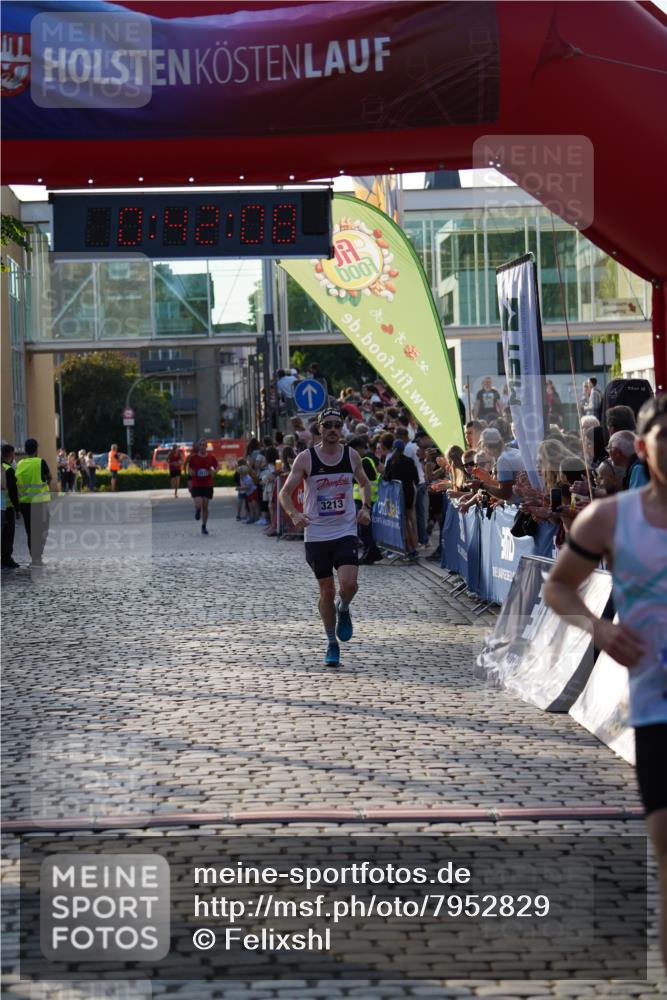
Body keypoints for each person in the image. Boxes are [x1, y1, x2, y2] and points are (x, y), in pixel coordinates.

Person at [543, 393, 667, 972]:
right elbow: (557, 586)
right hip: (657, 707)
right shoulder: (610, 519)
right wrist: (599, 627)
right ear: (642, 448)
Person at [278, 407, 372, 667]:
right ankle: (332, 643)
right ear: (319, 428)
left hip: (345, 530)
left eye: (336, 425)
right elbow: (284, 493)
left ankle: (344, 608)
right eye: (327, 425)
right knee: (327, 591)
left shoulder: (351, 455)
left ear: (341, 428)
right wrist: (294, 514)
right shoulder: (306, 459)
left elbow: (364, 483)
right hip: (317, 533)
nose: (332, 429)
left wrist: (366, 507)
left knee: (349, 585)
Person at [15, 438, 52, 567]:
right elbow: (50, 477)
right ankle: (37, 557)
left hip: (25, 504)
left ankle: (35, 558)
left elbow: (16, 482)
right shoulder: (40, 462)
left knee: (30, 531)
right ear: (36, 449)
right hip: (40, 503)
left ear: (25, 450)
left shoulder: (20, 464)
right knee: (43, 530)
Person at [384, 438, 419, 560]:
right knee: (410, 521)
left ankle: (410, 549)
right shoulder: (409, 461)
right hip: (409, 493)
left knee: (403, 523)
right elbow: (416, 479)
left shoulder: (391, 461)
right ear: (403, 449)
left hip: (398, 494)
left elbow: (386, 478)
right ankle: (413, 548)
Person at [185, 439, 218, 535]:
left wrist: (214, 472)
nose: (202, 447)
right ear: (198, 446)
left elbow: (217, 466)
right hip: (197, 484)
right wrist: (190, 474)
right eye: (201, 445)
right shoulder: (193, 458)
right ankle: (197, 510)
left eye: (204, 445)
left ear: (206, 446)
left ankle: (204, 526)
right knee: (199, 503)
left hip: (208, 484)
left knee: (205, 505)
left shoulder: (211, 457)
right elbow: (189, 469)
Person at [1, 443, 21, 569]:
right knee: (8, 534)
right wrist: (18, 509)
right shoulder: (8, 470)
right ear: (12, 454)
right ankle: (6, 559)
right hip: (7, 507)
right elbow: (13, 492)